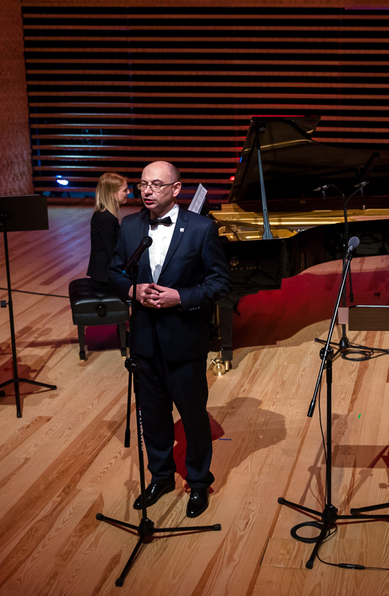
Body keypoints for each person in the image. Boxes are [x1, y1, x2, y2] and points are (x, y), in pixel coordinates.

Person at [109, 161, 230, 518]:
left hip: (185, 341)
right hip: (144, 339)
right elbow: (114, 272)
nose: (147, 191)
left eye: (157, 185)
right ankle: (160, 477)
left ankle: (198, 482)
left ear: (176, 189)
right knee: (153, 416)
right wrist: (132, 290)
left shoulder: (202, 229)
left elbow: (220, 283)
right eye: (143, 184)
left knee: (193, 417)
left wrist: (181, 297)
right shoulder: (130, 226)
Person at [87, 172, 128, 291]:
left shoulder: (103, 214)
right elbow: (113, 252)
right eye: (125, 190)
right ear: (113, 193)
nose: (128, 192)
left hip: (104, 275)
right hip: (104, 278)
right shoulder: (106, 218)